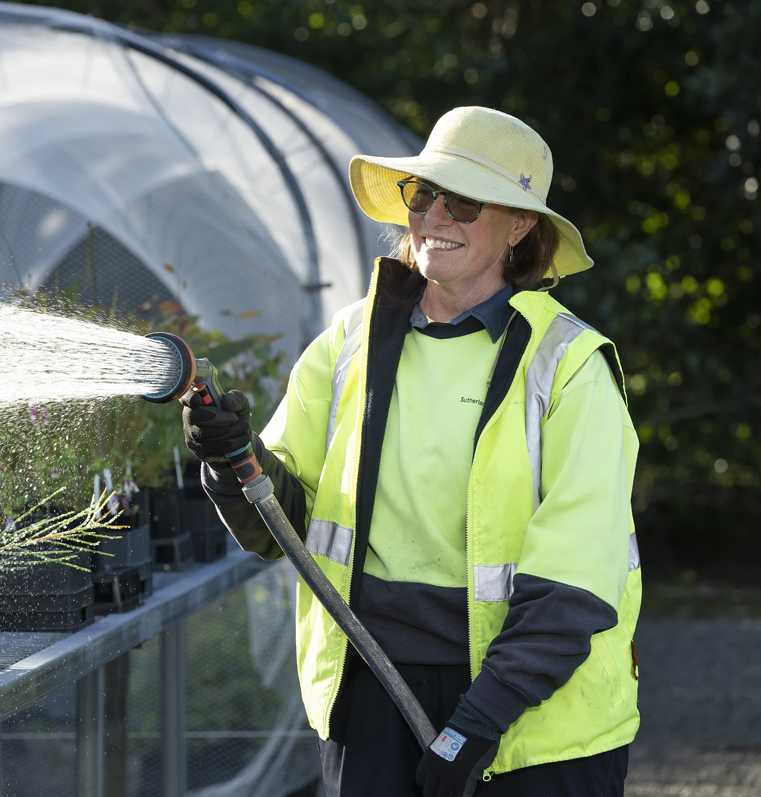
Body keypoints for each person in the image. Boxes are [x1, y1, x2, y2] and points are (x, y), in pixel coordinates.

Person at [182, 106, 641, 797]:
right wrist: (228, 458)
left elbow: (575, 578)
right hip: (371, 693)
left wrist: (477, 720)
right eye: (423, 195)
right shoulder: (348, 344)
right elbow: (277, 525)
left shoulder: (568, 364)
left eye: (463, 202)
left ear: (519, 226)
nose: (433, 218)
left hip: (535, 723)